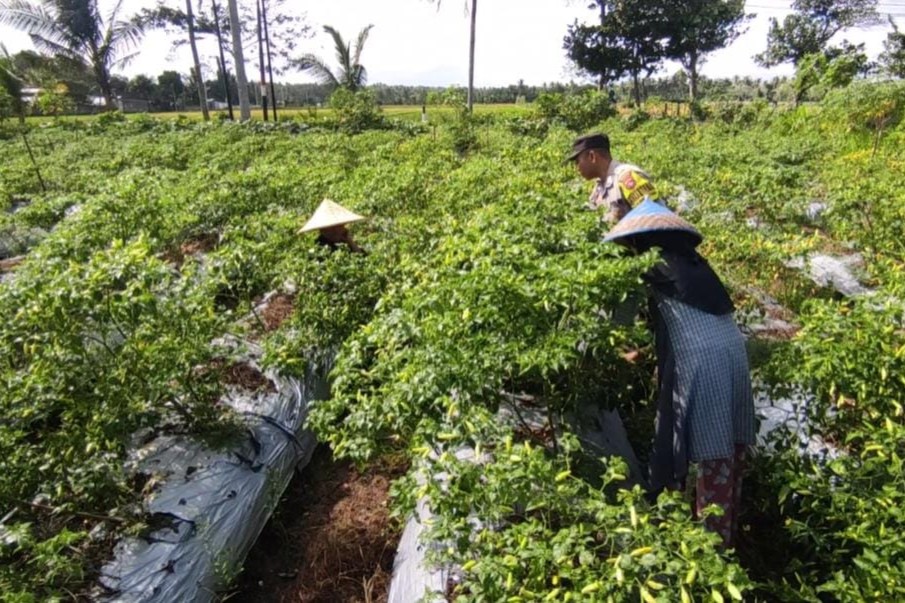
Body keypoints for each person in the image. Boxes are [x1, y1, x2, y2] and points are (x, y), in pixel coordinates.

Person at [603, 198, 755, 547]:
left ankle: (703, 551)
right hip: (732, 356)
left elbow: (619, 324)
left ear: (638, 241)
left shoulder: (649, 266)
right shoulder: (693, 264)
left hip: (701, 364)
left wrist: (614, 352)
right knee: (722, 453)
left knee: (703, 448)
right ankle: (721, 540)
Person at [565, 133, 658, 224]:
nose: (577, 167)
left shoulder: (627, 177)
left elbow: (656, 217)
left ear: (592, 156)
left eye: (577, 162)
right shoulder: (597, 190)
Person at [298, 199, 366, 253]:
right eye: (338, 227)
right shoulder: (319, 247)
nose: (343, 228)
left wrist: (351, 242)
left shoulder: (344, 242)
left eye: (341, 225)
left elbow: (362, 258)